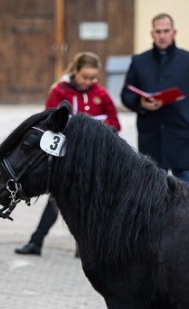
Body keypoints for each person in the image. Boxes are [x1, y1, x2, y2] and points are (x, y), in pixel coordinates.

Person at [16, 52, 121, 256]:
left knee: (91, 203)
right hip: (65, 156)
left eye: (93, 77)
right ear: (76, 71)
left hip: (92, 159)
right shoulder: (60, 91)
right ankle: (36, 242)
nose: (89, 81)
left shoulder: (101, 93)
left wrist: (95, 127)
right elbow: (49, 119)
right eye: (85, 77)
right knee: (56, 200)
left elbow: (115, 123)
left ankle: (83, 247)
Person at [120, 13, 189, 190]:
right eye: (158, 31)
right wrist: (141, 104)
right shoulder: (139, 62)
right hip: (151, 140)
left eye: (166, 31)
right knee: (152, 201)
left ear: (174, 32)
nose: (162, 35)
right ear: (152, 34)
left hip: (181, 138)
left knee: (187, 200)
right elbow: (126, 94)